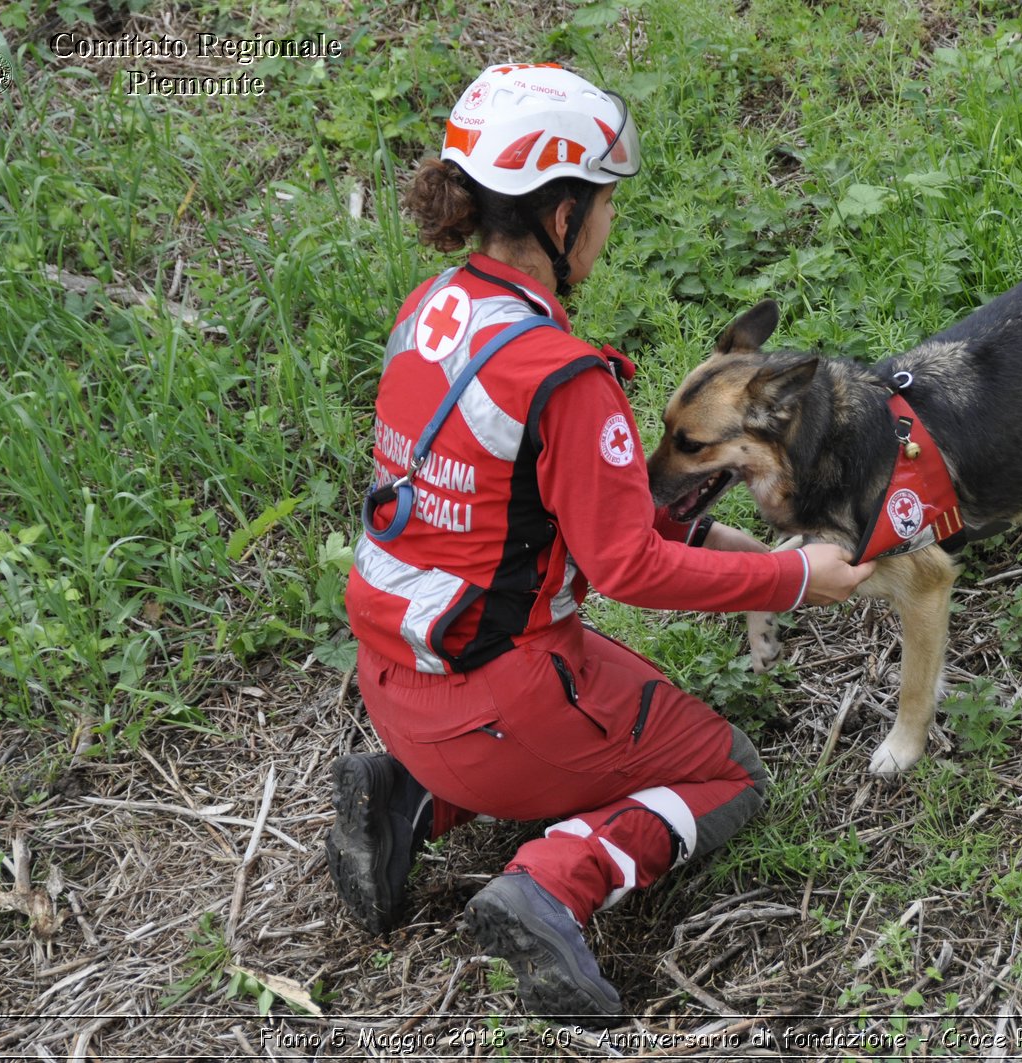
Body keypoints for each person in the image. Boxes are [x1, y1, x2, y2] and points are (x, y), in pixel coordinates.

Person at [326, 62, 871, 1024]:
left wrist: (700, 525)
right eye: (606, 202)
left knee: (550, 712)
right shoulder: (563, 377)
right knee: (727, 770)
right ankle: (551, 884)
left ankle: (405, 794)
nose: (610, 224)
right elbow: (625, 567)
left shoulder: (435, 312)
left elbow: (515, 512)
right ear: (563, 213)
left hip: (394, 682)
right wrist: (793, 577)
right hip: (501, 702)